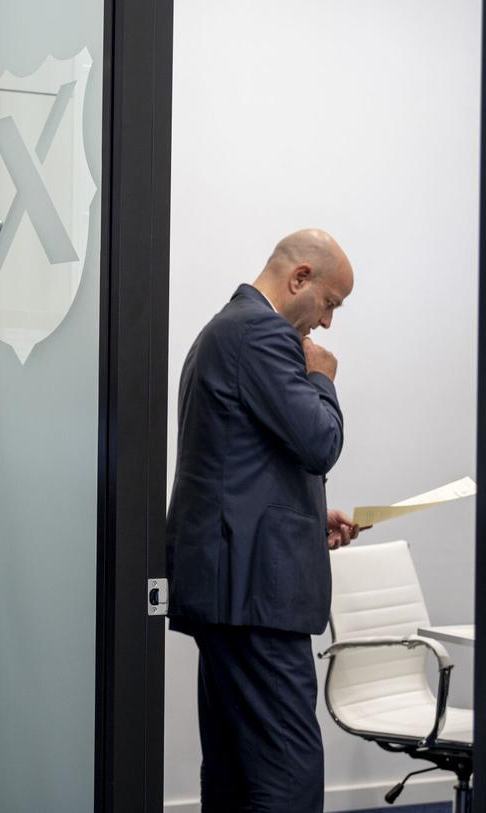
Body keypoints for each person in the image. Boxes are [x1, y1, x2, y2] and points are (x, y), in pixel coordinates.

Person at [166, 229, 361, 812]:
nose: (326, 324)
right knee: (286, 773)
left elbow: (237, 464)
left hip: (227, 589)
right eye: (330, 303)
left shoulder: (220, 331)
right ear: (299, 278)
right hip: (257, 600)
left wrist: (305, 516)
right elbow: (321, 441)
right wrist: (323, 376)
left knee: (234, 769)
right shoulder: (262, 333)